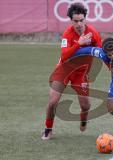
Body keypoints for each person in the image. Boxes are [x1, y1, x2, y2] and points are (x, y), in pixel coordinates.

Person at [41, 3, 102, 140]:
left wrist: (112, 66)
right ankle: (48, 129)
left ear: (85, 18)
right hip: (64, 69)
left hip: (81, 73)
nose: (79, 24)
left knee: (86, 105)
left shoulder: (93, 33)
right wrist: (79, 44)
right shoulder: (67, 34)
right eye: (76, 21)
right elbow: (64, 56)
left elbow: (101, 52)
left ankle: (83, 120)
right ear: (71, 20)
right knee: (53, 102)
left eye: (81, 20)